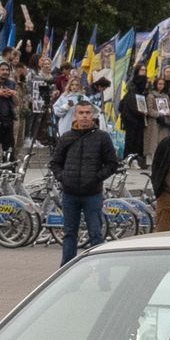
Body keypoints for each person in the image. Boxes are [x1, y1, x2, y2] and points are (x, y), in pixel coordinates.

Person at [48, 98, 122, 263]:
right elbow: (55, 163)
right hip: (70, 194)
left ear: (92, 115)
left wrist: (96, 178)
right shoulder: (67, 137)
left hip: (92, 194)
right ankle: (65, 269)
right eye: (81, 113)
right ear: (75, 116)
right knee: (69, 234)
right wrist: (63, 178)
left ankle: (101, 268)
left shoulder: (102, 137)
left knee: (96, 234)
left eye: (88, 113)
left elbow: (112, 163)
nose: (84, 116)